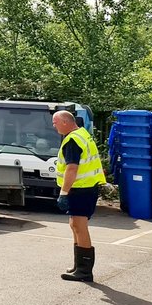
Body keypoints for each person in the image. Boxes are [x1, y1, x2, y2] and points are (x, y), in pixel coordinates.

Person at [53, 110, 107, 282]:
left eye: (55, 123)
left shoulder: (72, 140)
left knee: (79, 226)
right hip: (86, 187)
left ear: (65, 122)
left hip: (80, 189)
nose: (54, 126)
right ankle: (79, 265)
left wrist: (63, 193)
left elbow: (72, 168)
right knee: (75, 225)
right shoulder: (82, 133)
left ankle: (84, 271)